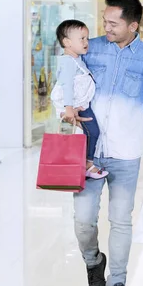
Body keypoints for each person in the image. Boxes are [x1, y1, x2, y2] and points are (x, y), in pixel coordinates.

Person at [71, 0, 143, 286]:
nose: (106, 27)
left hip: (126, 153)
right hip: (88, 152)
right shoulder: (91, 48)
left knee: (120, 220)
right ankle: (93, 261)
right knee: (83, 221)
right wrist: (65, 107)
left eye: (113, 23)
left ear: (133, 25)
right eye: (105, 20)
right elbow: (67, 82)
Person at [51, 20, 108, 179]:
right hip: (75, 106)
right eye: (81, 39)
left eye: (87, 38)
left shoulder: (78, 59)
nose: (86, 42)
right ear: (67, 42)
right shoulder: (68, 61)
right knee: (92, 132)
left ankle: (84, 164)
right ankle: (87, 165)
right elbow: (67, 85)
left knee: (88, 133)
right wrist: (69, 108)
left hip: (81, 105)